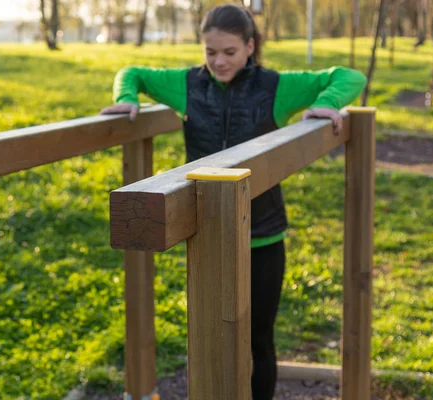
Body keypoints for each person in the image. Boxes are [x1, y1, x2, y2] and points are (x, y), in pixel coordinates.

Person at [100, 4, 367, 399]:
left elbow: (350, 75)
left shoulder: (276, 86)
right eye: (210, 52)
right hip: (207, 234)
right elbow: (133, 72)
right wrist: (126, 97)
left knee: (259, 338)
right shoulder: (186, 85)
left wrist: (328, 101)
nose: (218, 61)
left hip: (263, 234)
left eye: (229, 52)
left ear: (250, 47)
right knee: (209, 334)